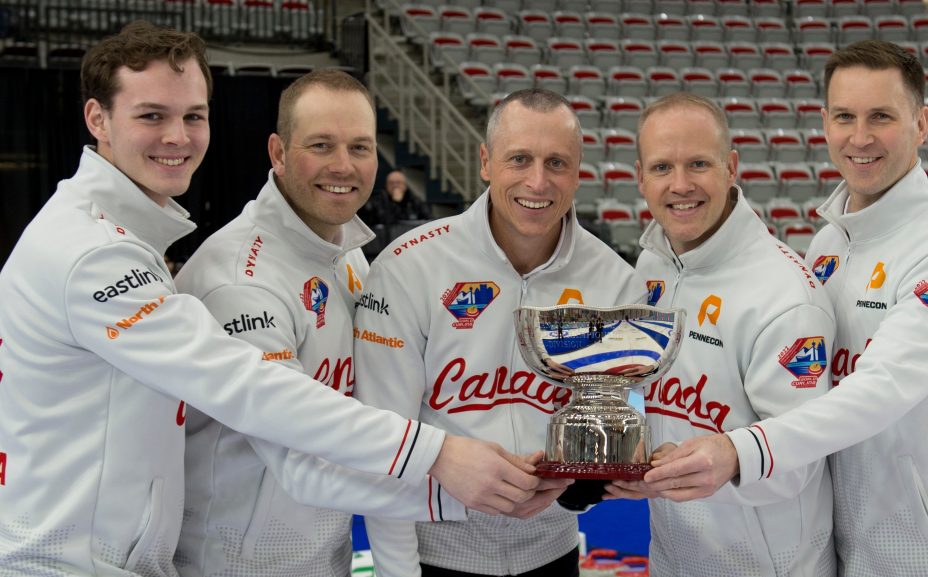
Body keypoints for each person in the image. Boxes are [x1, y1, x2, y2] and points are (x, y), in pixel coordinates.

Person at [0, 22, 544, 577]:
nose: (178, 136)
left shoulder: (342, 256)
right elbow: (249, 389)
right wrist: (446, 468)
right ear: (98, 119)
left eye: (193, 116)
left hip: (155, 558)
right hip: (82, 563)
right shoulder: (101, 254)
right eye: (151, 115)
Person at [639, 40, 928, 575]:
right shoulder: (827, 247)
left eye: (881, 117)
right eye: (845, 116)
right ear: (824, 122)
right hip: (853, 548)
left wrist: (740, 451)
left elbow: (876, 392)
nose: (860, 137)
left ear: (921, 123)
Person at [172, 69, 483, 577]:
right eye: (321, 145)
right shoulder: (240, 281)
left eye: (360, 148)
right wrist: (463, 486)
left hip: (324, 555)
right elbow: (302, 467)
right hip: (235, 566)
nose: (344, 166)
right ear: (278, 152)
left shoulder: (346, 255)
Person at [353, 88, 649, 577]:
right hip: (432, 556)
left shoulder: (617, 281)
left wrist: (585, 488)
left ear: (579, 172)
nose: (538, 181)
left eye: (557, 162)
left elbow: (617, 424)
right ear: (486, 161)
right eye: (519, 159)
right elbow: (384, 441)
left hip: (553, 552)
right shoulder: (409, 265)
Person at [603, 92, 837, 576]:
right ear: (640, 177)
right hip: (672, 554)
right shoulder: (652, 265)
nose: (681, 185)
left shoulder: (786, 295)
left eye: (698, 164)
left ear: (731, 167)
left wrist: (726, 462)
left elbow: (799, 460)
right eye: (663, 167)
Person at [360, 169, 431, 226]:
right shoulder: (377, 202)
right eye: (391, 183)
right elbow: (388, 222)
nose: (395, 186)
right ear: (386, 186)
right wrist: (395, 203)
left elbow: (427, 220)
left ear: (405, 185)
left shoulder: (415, 201)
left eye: (398, 182)